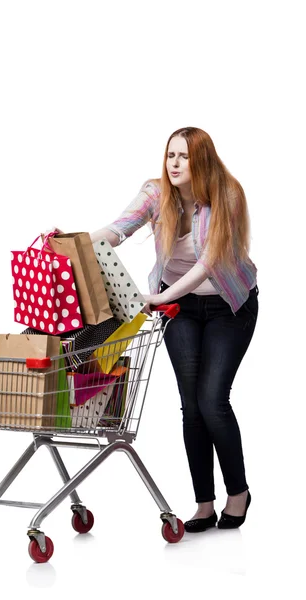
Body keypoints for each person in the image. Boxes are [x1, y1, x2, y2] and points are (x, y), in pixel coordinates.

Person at [90, 127, 258, 532]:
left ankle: (238, 493)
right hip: (179, 307)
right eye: (170, 156)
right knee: (190, 405)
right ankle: (204, 504)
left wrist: (158, 299)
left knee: (212, 400)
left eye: (184, 156)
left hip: (227, 306)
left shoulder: (227, 195)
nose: (175, 164)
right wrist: (75, 243)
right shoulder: (156, 193)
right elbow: (118, 229)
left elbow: (209, 264)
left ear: (202, 161)